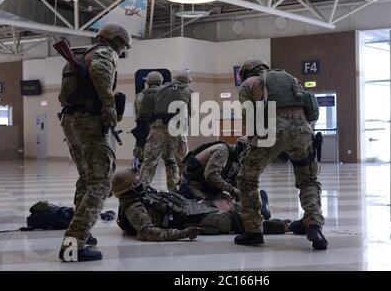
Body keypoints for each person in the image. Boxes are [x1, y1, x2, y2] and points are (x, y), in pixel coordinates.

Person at [233, 57, 328, 250]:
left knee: (247, 179)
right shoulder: (290, 78)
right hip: (303, 131)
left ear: (246, 72)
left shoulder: (249, 84)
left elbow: (248, 117)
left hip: (271, 130)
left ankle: (253, 231)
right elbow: (308, 107)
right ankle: (314, 225)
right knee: (308, 180)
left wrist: (253, 142)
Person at [58, 23, 132, 262]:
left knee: (87, 178)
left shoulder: (81, 54)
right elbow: (100, 70)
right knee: (101, 182)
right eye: (122, 46)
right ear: (117, 41)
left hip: (70, 120)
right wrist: (109, 106)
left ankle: (83, 233)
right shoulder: (104, 53)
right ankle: (74, 244)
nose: (121, 51)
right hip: (89, 120)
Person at [111, 169, 289, 240]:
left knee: (227, 203)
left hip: (190, 207)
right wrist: (182, 234)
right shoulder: (134, 208)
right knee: (234, 220)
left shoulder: (140, 197)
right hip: (190, 219)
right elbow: (147, 233)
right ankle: (288, 226)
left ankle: (262, 212)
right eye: (136, 183)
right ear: (129, 188)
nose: (141, 183)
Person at [177, 137, 272, 221]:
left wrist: (242, 195)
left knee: (228, 204)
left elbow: (235, 182)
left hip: (207, 191)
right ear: (243, 150)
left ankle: (258, 206)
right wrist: (233, 190)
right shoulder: (222, 151)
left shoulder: (235, 161)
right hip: (192, 190)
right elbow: (211, 176)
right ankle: (258, 208)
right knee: (216, 210)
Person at [139, 69, 193, 191]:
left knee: (149, 161)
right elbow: (192, 112)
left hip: (157, 128)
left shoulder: (161, 89)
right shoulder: (188, 91)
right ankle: (180, 190)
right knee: (181, 161)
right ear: (188, 80)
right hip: (176, 129)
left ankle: (141, 189)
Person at [132, 71, 164, 162]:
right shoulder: (164, 95)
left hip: (143, 130)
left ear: (147, 82)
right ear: (160, 82)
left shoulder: (139, 96)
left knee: (143, 160)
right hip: (160, 130)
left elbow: (137, 114)